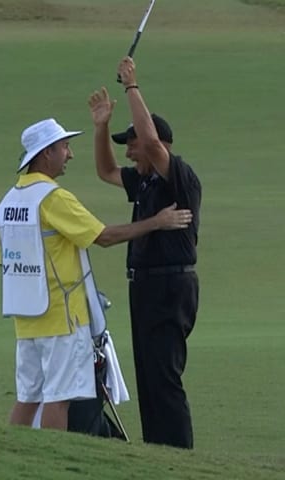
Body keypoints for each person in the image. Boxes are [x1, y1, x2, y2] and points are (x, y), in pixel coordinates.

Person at [0, 117, 193, 431]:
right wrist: (157, 222)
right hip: (62, 314)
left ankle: (10, 459)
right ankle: (54, 463)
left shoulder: (9, 201)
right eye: (64, 147)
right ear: (46, 153)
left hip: (26, 315)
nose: (70, 154)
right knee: (58, 398)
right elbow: (104, 236)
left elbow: (6, 261)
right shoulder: (52, 198)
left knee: (28, 396)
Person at [87, 57, 202, 449]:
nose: (131, 151)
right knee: (148, 374)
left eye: (131, 142)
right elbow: (105, 171)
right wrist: (101, 128)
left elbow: (151, 143)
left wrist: (132, 87)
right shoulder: (145, 182)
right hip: (146, 287)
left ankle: (178, 456)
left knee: (165, 375)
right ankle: (157, 450)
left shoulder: (179, 178)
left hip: (171, 286)